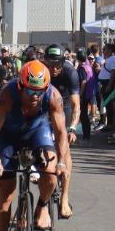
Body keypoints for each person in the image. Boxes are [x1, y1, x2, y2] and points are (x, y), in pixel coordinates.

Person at [0, 61, 68, 231]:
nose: (35, 96)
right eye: (30, 91)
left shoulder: (52, 96)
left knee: (50, 173)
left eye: (39, 92)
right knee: (5, 193)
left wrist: (60, 162)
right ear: (21, 86)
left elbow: (60, 134)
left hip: (37, 131)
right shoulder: (7, 96)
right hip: (8, 135)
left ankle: (41, 207)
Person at [44, 45, 80, 218]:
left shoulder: (70, 73)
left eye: (58, 64)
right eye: (50, 64)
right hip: (44, 105)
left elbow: (76, 106)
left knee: (64, 151)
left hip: (63, 106)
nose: (54, 68)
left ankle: (64, 199)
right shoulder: (40, 70)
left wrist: (72, 128)